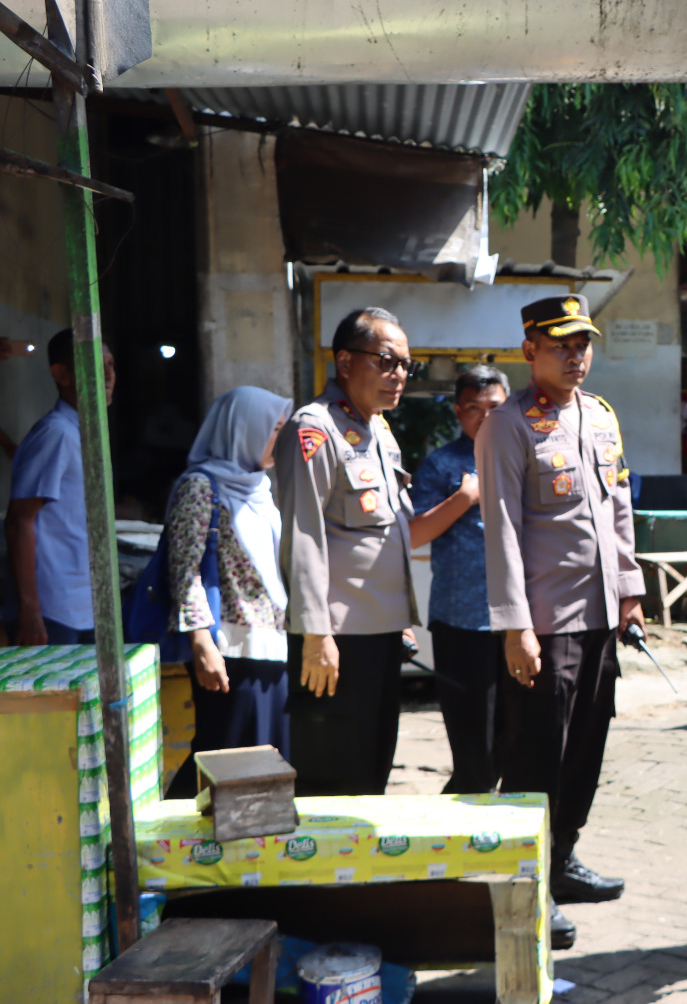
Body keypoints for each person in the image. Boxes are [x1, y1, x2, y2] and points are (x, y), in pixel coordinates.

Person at [478, 293, 646, 951]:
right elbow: (502, 529)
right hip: (545, 621)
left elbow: (620, 507)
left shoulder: (600, 416)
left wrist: (631, 590)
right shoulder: (509, 424)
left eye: (583, 344)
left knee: (587, 747)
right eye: (561, 345)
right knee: (535, 755)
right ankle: (530, 884)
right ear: (529, 351)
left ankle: (564, 856)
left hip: (601, 613)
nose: (576, 355)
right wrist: (515, 625)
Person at [277, 307, 418, 796]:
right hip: (336, 639)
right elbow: (304, 536)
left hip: (379, 634)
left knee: (373, 767)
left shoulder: (376, 430)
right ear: (343, 361)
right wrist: (316, 636)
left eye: (405, 364)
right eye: (385, 360)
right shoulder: (314, 428)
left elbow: (388, 530)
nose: (397, 374)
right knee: (332, 775)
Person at [164, 386, 295, 799]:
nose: (280, 438)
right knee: (227, 758)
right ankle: (187, 844)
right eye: (273, 429)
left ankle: (256, 854)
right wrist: (202, 644)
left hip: (272, 647)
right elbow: (184, 571)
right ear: (244, 430)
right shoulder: (201, 487)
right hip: (229, 652)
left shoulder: (260, 489)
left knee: (265, 762)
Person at [409, 365, 509, 794]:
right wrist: (465, 497)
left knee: (509, 742)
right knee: (474, 749)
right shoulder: (441, 465)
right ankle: (457, 843)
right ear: (456, 411)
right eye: (474, 409)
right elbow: (415, 534)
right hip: (460, 621)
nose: (484, 418)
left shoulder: (523, 454)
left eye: (495, 408)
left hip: (519, 620)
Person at [6, 328, 116, 645]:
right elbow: (18, 520)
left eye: (111, 365)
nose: (109, 375)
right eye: (99, 365)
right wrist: (29, 610)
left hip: (83, 604)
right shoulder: (55, 434)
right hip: (53, 609)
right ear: (62, 375)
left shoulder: (83, 432)